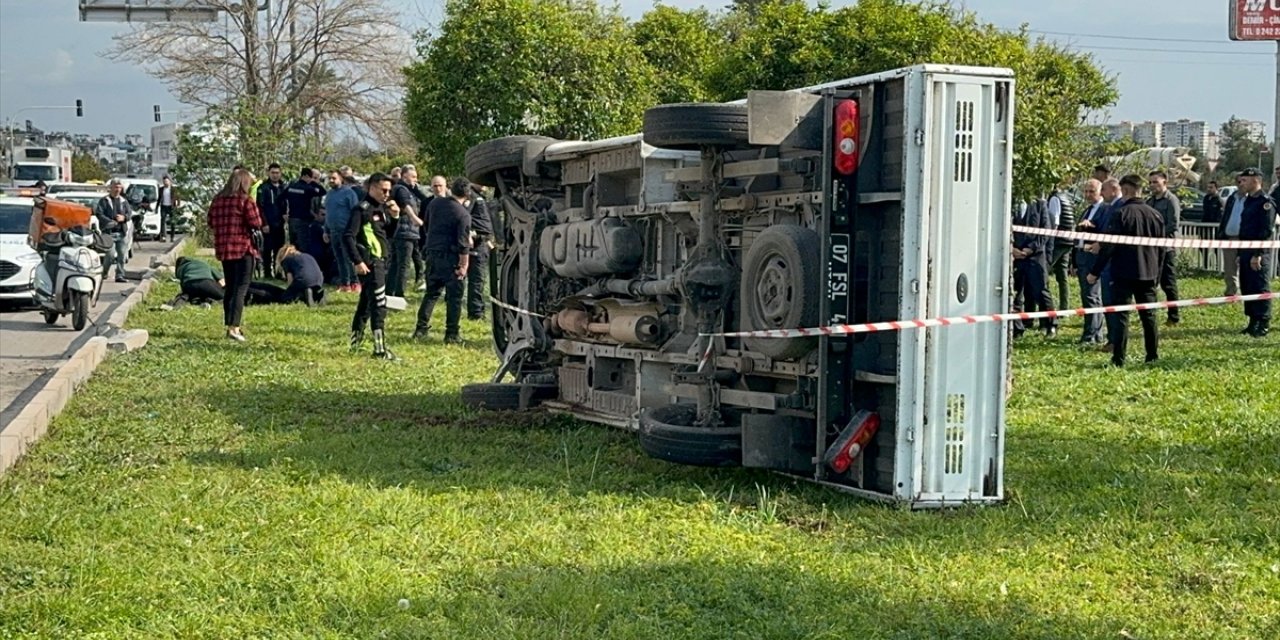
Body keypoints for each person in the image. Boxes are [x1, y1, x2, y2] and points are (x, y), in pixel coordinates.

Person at [1087, 174, 1165, 367]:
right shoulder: (1155, 215)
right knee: (1149, 316)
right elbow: (1163, 249)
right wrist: (1158, 274)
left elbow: (1109, 247)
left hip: (1123, 273)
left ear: (1127, 190)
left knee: (1121, 315)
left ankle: (1119, 358)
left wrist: (1094, 272)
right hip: (1149, 273)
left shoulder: (1120, 214)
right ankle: (1152, 355)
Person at [344, 173, 401, 360]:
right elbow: (348, 236)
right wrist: (357, 261)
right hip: (370, 262)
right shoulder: (362, 209)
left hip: (382, 260)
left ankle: (355, 343)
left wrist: (395, 217)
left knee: (366, 304)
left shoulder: (381, 209)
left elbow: (387, 234)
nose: (387, 194)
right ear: (372, 188)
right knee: (379, 304)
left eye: (389, 191)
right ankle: (380, 349)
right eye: (383, 190)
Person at [208, 168, 264, 343]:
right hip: (243, 249)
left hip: (224, 250)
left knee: (230, 288)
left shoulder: (217, 200)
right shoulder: (245, 200)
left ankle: (229, 324)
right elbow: (256, 222)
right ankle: (234, 327)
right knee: (241, 288)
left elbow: (210, 221)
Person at [414, 178, 472, 343]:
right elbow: (463, 243)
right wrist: (463, 265)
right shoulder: (463, 214)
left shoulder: (435, 204)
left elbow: (426, 226)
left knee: (431, 294)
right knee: (454, 297)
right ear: (467, 195)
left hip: (432, 253)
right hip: (451, 257)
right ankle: (452, 333)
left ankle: (421, 328)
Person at [1231, 168, 1275, 338]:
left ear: (1256, 180)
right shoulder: (1249, 200)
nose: (1242, 183)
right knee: (1247, 285)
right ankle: (1253, 321)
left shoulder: (1266, 202)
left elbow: (1265, 231)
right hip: (1245, 249)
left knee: (1259, 286)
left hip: (1258, 251)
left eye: (1245, 180)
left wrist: (1258, 254)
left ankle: (1263, 322)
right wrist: (1240, 254)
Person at [1011, 197, 1057, 338]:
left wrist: (1031, 248)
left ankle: (1050, 325)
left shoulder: (1039, 204)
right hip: (1015, 255)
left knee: (1041, 291)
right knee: (1014, 293)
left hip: (1035, 256)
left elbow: (1046, 231)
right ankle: (1017, 328)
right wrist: (1012, 249)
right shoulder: (1010, 202)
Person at [1073, 179, 1106, 345]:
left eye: (1091, 191)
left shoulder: (1104, 209)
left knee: (1093, 296)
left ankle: (1092, 335)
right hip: (1082, 258)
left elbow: (1103, 232)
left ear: (1100, 192)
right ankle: (1094, 332)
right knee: (1087, 296)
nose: (1087, 195)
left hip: (1094, 258)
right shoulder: (1086, 210)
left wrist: (1091, 226)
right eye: (1085, 191)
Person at [1145, 171, 1181, 325]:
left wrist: (1156, 235)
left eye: (1156, 182)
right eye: (1151, 182)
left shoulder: (1171, 200)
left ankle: (1173, 316)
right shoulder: (1149, 201)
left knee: (1168, 283)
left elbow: (1173, 224)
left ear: (1164, 182)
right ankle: (1150, 313)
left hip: (1166, 249)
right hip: (1152, 250)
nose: (1153, 185)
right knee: (1151, 282)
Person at [387, 166, 427, 297]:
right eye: (413, 177)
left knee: (396, 263)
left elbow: (425, 199)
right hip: (404, 231)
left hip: (407, 232)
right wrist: (415, 219)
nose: (416, 180)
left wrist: (416, 188)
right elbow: (405, 205)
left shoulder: (410, 190)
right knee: (403, 265)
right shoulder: (402, 189)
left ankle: (389, 291)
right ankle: (399, 294)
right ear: (404, 177)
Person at [325, 170, 362, 293]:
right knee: (339, 258)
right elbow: (328, 214)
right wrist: (326, 230)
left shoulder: (349, 193)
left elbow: (356, 212)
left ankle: (355, 283)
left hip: (346, 231)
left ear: (341, 179)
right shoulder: (329, 194)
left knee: (349, 258)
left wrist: (353, 230)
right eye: (329, 178)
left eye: (334, 178)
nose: (331, 180)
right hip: (333, 231)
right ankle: (345, 283)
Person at [93, 178, 133, 283]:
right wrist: (110, 221)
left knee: (122, 255)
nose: (117, 189)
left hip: (121, 232)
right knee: (110, 255)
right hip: (108, 233)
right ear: (110, 188)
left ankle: (120, 275)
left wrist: (124, 218)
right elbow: (99, 214)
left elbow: (129, 213)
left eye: (119, 187)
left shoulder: (124, 201)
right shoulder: (104, 201)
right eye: (115, 187)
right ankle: (104, 273)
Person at [466, 184, 495, 320]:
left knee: (480, 278)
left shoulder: (481, 196)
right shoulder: (470, 195)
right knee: (476, 278)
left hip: (483, 241)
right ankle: (476, 312)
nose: (484, 184)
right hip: (475, 242)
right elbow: (465, 217)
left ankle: (479, 309)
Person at [1045, 186, 1076, 313]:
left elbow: (1055, 222)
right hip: (1068, 240)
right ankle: (1065, 308)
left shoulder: (1054, 199)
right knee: (1062, 275)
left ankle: (1048, 306)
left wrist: (1048, 241)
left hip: (1058, 241)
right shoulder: (1067, 198)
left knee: (1044, 271)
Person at [256, 163, 289, 278]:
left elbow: (285, 204)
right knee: (267, 249)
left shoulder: (283, 187)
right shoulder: (263, 188)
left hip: (280, 223)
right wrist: (264, 223)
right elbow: (260, 207)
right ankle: (267, 272)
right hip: (268, 223)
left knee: (279, 249)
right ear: (268, 173)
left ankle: (278, 272)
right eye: (273, 173)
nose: (275, 175)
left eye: (277, 173)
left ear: (281, 173)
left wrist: (286, 214)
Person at [284, 167, 326, 250]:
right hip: (303, 221)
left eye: (316, 178)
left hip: (301, 221)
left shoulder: (293, 186)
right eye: (312, 177)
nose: (313, 180)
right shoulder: (305, 188)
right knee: (302, 246)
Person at [157, 175, 181, 243]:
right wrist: (157, 207)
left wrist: (178, 205)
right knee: (162, 221)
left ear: (170, 182)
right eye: (164, 181)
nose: (165, 183)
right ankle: (164, 236)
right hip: (164, 206)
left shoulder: (173, 189)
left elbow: (178, 198)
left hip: (171, 207)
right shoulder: (161, 189)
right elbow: (159, 199)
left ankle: (172, 237)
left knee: (172, 222)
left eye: (167, 181)